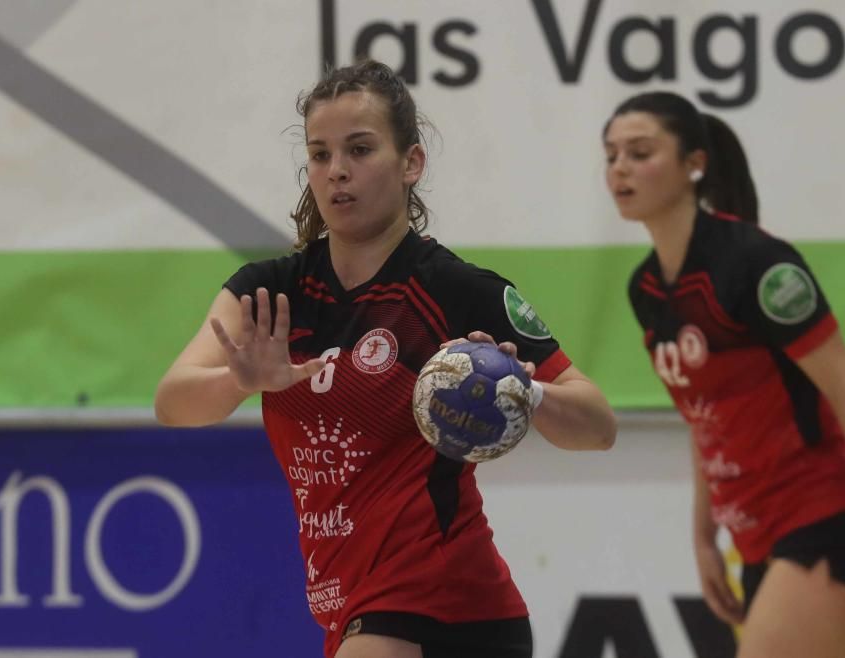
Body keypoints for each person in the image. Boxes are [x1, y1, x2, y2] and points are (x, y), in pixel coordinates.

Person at [154, 59, 616, 658]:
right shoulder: (271, 292)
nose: (337, 171)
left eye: (361, 149)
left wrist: (526, 392)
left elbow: (598, 425)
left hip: (442, 602)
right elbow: (173, 402)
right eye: (320, 155)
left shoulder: (458, 292)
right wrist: (242, 382)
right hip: (348, 606)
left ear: (411, 164)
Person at [602, 92, 845, 658]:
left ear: (694, 164)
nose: (619, 169)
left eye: (639, 152)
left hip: (826, 517)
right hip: (755, 535)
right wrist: (704, 536)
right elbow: (704, 418)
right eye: (610, 155)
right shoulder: (648, 290)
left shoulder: (756, 264)